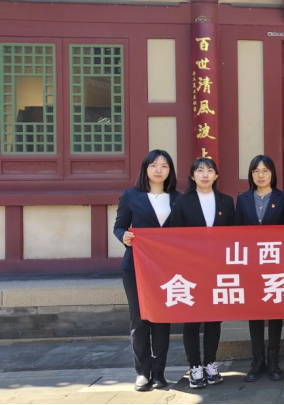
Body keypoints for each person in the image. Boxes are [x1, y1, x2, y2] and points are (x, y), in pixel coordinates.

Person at [113, 149, 180, 392]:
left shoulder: (178, 198)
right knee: (139, 319)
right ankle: (142, 373)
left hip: (166, 268)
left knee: (162, 318)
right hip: (136, 266)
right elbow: (119, 227)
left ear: (170, 170)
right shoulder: (131, 195)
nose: (159, 170)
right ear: (146, 169)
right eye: (154, 165)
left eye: (164, 166)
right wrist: (124, 236)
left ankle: (159, 372)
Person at [169, 157, 235, 389]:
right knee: (192, 319)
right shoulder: (182, 202)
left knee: (214, 318)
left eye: (209, 170)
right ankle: (195, 366)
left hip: (217, 269)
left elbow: (235, 236)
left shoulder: (226, 201)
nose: (205, 175)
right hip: (190, 269)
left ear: (216, 175)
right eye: (200, 170)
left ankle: (210, 363)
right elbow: (173, 236)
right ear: (192, 176)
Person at [235, 155, 284, 383]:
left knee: (275, 312)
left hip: (276, 264)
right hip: (251, 265)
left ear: (272, 174)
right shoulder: (243, 199)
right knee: (254, 311)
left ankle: (274, 359)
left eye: (265, 170)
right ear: (251, 174)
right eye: (256, 171)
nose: (261, 175)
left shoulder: (283, 198)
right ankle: (257, 360)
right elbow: (236, 233)